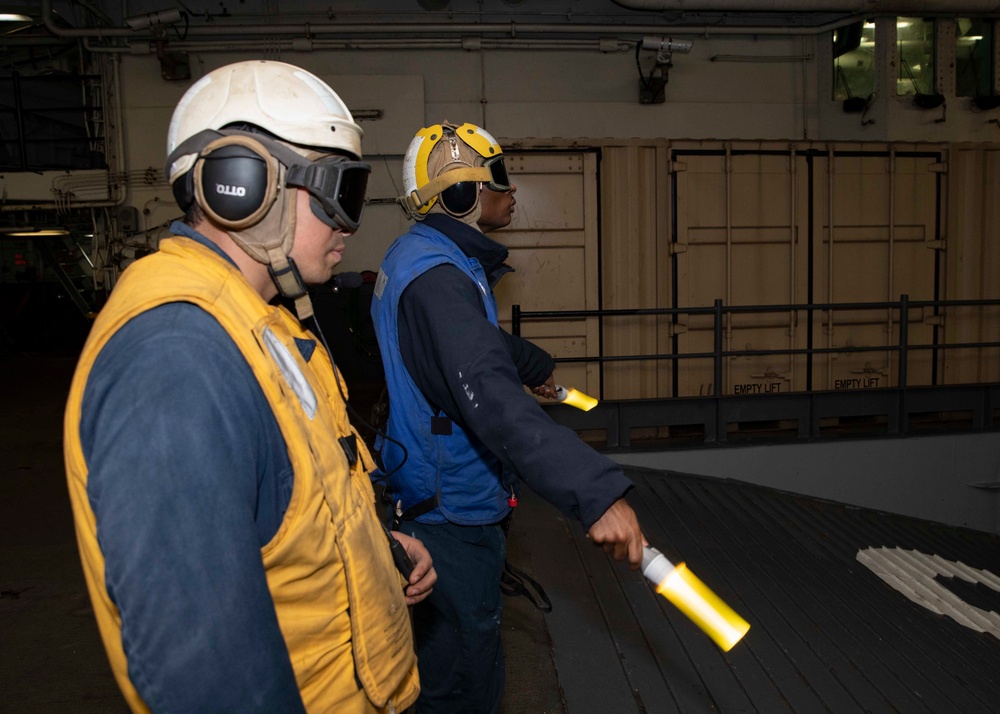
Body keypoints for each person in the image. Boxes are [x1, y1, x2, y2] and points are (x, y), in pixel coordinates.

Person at [63, 60, 436, 714]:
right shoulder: (176, 361)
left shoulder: (253, 322)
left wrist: (374, 548)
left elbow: (295, 502)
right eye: (341, 191)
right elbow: (203, 668)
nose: (351, 223)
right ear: (244, 185)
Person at [370, 121, 647, 713]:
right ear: (461, 196)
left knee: (458, 662)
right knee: (460, 682)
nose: (511, 188)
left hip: (433, 495)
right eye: (497, 176)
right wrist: (594, 492)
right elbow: (491, 398)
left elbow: (478, 345)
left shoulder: (429, 257)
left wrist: (534, 362)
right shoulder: (440, 282)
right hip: (449, 517)